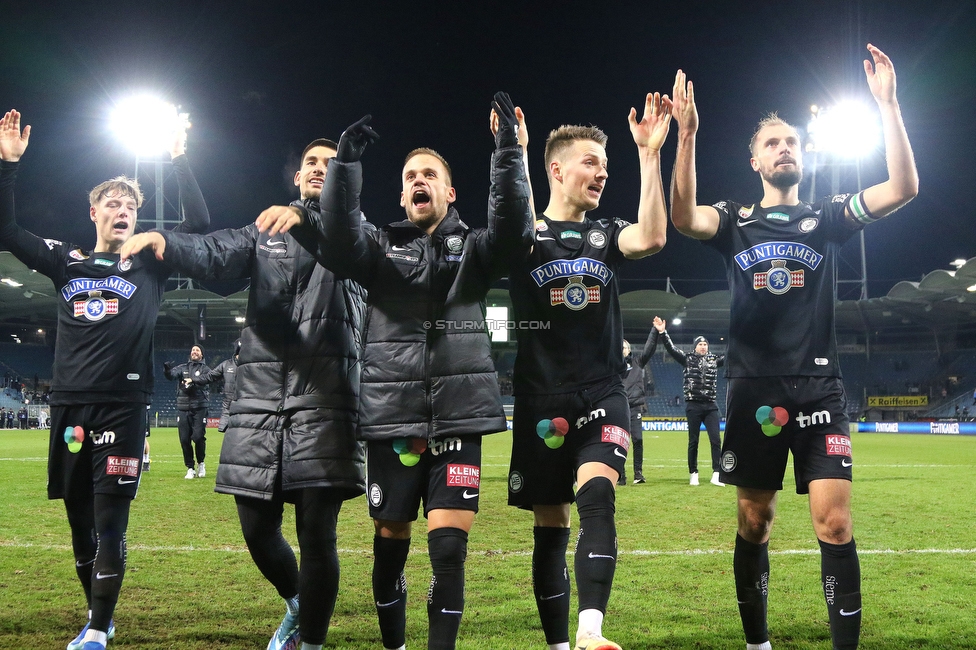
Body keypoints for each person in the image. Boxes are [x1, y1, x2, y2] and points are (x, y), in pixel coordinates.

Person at [254, 92, 531, 650]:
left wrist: (508, 153)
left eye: (429, 174)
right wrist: (346, 169)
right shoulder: (378, 248)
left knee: (448, 549)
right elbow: (338, 238)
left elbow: (513, 231)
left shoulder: (474, 250)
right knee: (391, 543)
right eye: (409, 176)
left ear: (449, 193)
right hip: (392, 419)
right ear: (403, 194)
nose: (417, 181)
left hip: (457, 419)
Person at [669, 44, 918, 650]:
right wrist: (687, 136)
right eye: (774, 143)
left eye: (793, 142)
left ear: (802, 157)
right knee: (755, 520)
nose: (786, 149)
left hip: (819, 391)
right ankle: (758, 642)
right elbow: (681, 217)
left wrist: (887, 105)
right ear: (755, 160)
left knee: (834, 522)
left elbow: (903, 187)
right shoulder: (734, 221)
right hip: (753, 389)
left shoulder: (828, 217)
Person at [120, 137, 367, 650]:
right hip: (257, 400)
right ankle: (299, 603)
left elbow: (345, 248)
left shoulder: (358, 234)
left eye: (331, 165)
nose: (319, 169)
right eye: (311, 164)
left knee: (317, 536)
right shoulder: (266, 232)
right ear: (297, 178)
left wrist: (311, 220)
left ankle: (313, 642)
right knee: (256, 530)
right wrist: (166, 243)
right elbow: (214, 250)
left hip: (326, 400)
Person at [0, 108, 208, 650]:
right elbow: (6, 230)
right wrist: (8, 167)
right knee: (79, 524)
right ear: (93, 211)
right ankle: (101, 615)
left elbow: (200, 224)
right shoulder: (64, 262)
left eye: (131, 205)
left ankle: (96, 628)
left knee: (111, 521)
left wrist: (179, 158)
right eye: (112, 203)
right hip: (70, 408)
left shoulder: (151, 264)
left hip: (123, 408)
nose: (122, 210)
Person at [506, 89, 672, 650]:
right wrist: (516, 151)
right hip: (540, 400)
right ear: (556, 170)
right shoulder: (526, 237)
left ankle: (591, 631)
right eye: (591, 162)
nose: (602, 172)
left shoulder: (606, 235)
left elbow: (651, 236)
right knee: (549, 526)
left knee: (598, 495)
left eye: (606, 164)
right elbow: (514, 218)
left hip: (604, 391)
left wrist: (649, 156)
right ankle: (558, 644)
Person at [647, 316, 725, 487]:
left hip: (711, 405)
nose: (703, 346)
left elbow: (733, 355)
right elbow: (671, 348)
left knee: (716, 440)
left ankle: (717, 473)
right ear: (695, 346)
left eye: (705, 344)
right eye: (700, 344)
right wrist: (663, 332)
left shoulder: (714, 360)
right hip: (693, 405)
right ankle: (693, 473)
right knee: (693, 440)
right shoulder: (687, 359)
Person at [163, 344, 211, 478]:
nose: (194, 352)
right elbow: (172, 375)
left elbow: (208, 379)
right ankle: (190, 468)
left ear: (202, 354)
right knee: (184, 439)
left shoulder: (206, 369)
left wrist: (193, 381)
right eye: (193, 350)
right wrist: (167, 370)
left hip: (200, 407)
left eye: (197, 350)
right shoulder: (182, 367)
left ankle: (201, 463)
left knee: (198, 437)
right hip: (183, 407)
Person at [620, 330, 656, 485]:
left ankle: (638, 474)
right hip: (620, 408)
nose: (622, 349)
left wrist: (655, 332)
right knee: (620, 442)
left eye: (624, 347)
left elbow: (649, 349)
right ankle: (621, 475)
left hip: (635, 407)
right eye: (619, 347)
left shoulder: (637, 362)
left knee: (638, 439)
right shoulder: (613, 366)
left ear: (629, 350)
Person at [192, 339, 240, 432]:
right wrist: (193, 379)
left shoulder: (253, 366)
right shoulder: (226, 364)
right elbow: (209, 377)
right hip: (229, 407)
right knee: (228, 435)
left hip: (246, 406)